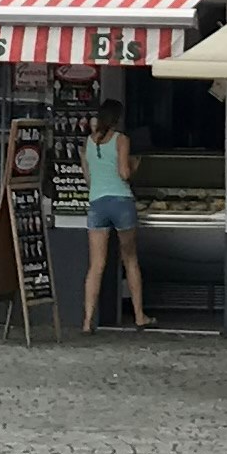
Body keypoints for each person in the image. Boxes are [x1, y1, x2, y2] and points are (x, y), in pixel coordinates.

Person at [78, 103, 151, 333]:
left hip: (97, 203)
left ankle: (87, 320)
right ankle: (140, 316)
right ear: (117, 119)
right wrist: (134, 165)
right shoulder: (121, 139)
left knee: (96, 265)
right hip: (121, 201)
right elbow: (124, 173)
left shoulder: (87, 142)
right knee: (129, 259)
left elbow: (88, 179)